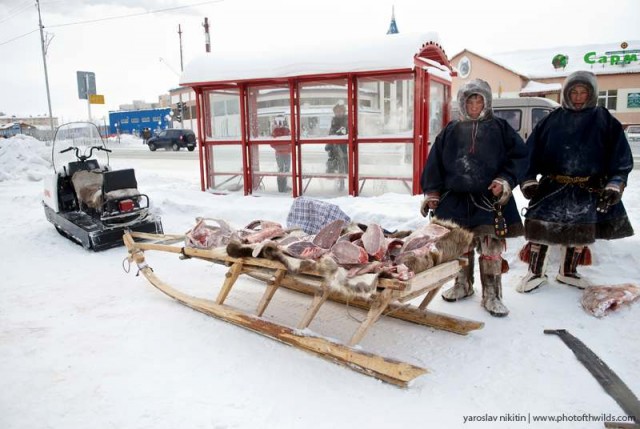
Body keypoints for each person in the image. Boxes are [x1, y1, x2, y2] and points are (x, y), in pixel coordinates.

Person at [517, 70, 634, 293]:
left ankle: (568, 272)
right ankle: (534, 272)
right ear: (566, 94)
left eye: (583, 92)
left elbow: (621, 159)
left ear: (592, 94)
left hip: (587, 188)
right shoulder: (551, 119)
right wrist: (528, 180)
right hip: (553, 186)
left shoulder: (605, 120)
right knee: (540, 229)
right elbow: (528, 154)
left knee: (580, 231)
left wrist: (614, 184)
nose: (579, 97)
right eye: (574, 92)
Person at [420, 79, 528, 317]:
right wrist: (432, 192)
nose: (475, 105)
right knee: (460, 246)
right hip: (455, 200)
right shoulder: (450, 131)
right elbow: (434, 164)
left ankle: (492, 295)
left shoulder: (501, 128)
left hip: (490, 200)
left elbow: (520, 157)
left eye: (479, 100)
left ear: (487, 102)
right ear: (463, 103)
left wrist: (505, 180)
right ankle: (462, 285)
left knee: (491, 247)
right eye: (471, 100)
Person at [325, 101, 348, 190]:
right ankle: (339, 184)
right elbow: (331, 132)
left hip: (344, 148)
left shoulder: (347, 120)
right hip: (334, 148)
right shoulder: (334, 120)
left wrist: (341, 133)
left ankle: (342, 185)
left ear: (343, 111)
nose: (338, 113)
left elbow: (349, 132)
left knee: (343, 166)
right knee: (336, 165)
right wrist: (329, 144)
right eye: (337, 111)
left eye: (340, 111)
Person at [269, 116, 292, 193]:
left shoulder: (275, 131)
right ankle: (283, 187)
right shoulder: (287, 131)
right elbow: (292, 142)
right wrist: (288, 149)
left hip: (279, 154)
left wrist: (278, 148)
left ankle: (281, 187)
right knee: (285, 169)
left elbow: (272, 143)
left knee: (281, 169)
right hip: (286, 153)